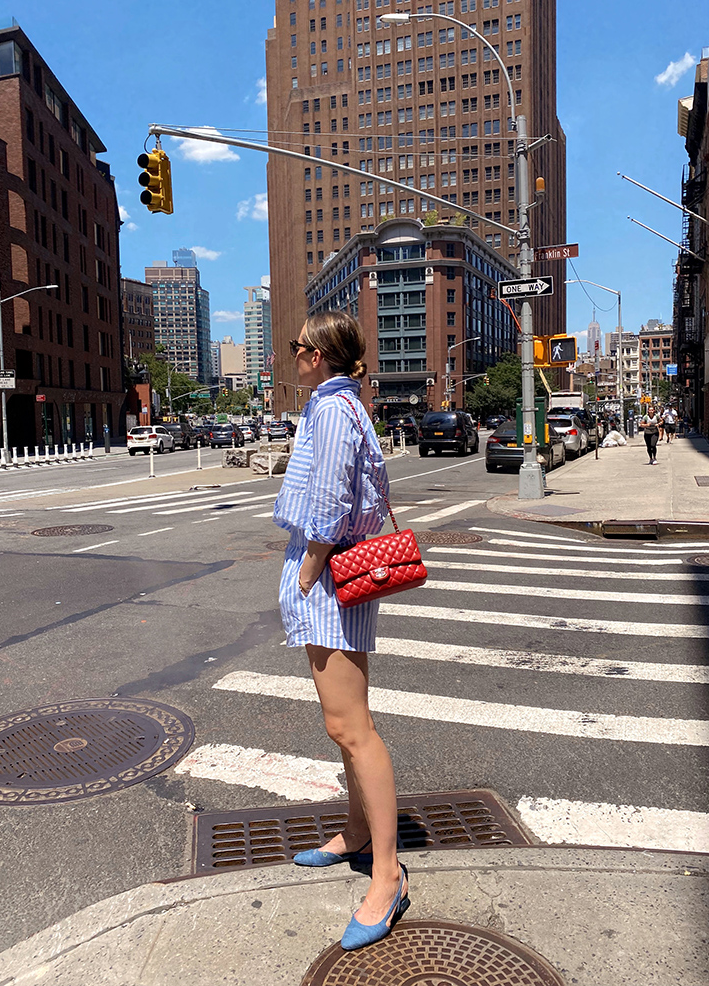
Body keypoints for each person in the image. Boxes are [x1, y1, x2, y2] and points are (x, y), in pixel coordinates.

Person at [273, 310, 409, 951]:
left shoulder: (330, 412)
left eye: (299, 346)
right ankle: (356, 833)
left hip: (330, 580)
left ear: (320, 356)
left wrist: (308, 568)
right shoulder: (346, 405)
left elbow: (329, 500)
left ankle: (388, 874)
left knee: (350, 728)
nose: (292, 353)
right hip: (339, 579)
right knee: (347, 721)